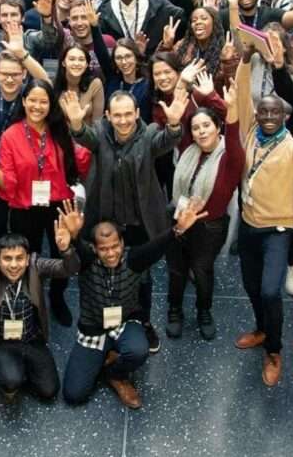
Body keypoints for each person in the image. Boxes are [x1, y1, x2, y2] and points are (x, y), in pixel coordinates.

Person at [230, 47, 293, 386]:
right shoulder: (248, 135)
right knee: (251, 286)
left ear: (285, 118)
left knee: (272, 291)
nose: (269, 117)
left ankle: (274, 349)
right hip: (248, 225)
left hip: (277, 229)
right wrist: (245, 61)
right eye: (264, 112)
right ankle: (262, 329)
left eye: (276, 113)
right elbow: (243, 94)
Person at [62, 87, 189, 348]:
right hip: (106, 222)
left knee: (141, 276)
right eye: (117, 115)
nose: (123, 120)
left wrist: (174, 123)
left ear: (137, 113)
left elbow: (166, 140)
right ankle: (104, 320)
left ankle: (142, 321)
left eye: (128, 114)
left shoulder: (149, 133)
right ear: (107, 115)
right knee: (104, 271)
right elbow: (84, 137)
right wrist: (76, 123)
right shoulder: (99, 132)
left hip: (139, 223)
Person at [0, 80, 91, 327]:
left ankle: (57, 297)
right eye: (32, 100)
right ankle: (32, 299)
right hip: (26, 208)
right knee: (29, 258)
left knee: (61, 255)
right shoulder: (11, 136)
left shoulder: (60, 130)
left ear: (50, 104)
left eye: (43, 101)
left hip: (59, 205)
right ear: (23, 102)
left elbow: (82, 165)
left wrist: (77, 126)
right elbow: (8, 184)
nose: (37, 106)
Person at [62, 202, 209, 408]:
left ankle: (115, 375)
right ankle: (105, 353)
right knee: (74, 394)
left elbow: (157, 246)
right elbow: (79, 252)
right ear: (94, 249)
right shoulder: (87, 261)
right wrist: (75, 237)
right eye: (104, 249)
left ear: (122, 243)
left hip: (124, 323)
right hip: (93, 330)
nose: (111, 253)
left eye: (115, 246)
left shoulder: (133, 259)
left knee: (139, 350)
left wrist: (179, 228)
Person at [0, 207, 81, 402]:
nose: (14, 265)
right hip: (2, 341)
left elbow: (69, 269)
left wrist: (66, 250)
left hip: (32, 338)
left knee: (49, 391)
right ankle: (9, 371)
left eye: (19, 258)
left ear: (28, 258)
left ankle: (23, 366)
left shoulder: (36, 266)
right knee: (11, 381)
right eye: (7, 259)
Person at [164, 82, 245, 340]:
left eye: (206, 126)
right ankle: (174, 310)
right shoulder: (189, 147)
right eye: (196, 128)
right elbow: (181, 111)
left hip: (210, 228)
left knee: (202, 271)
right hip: (178, 217)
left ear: (218, 127)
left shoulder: (232, 157)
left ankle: (203, 312)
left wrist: (225, 105)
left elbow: (233, 133)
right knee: (176, 269)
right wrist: (185, 84)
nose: (200, 132)